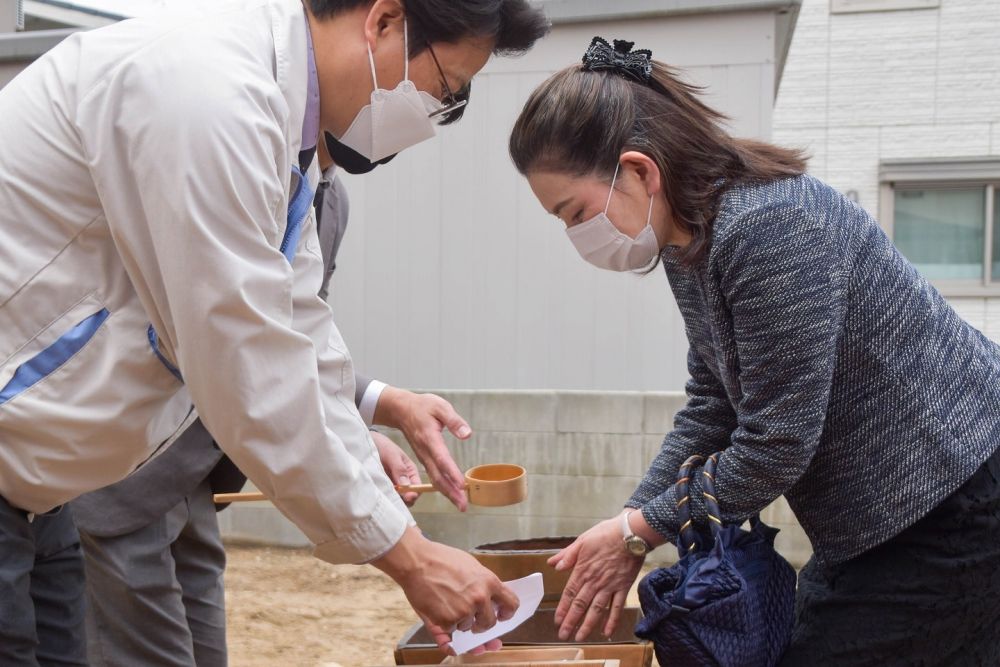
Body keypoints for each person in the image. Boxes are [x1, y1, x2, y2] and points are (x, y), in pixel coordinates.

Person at [0, 0, 548, 662]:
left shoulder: (285, 140)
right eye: (444, 88)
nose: (435, 114)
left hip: (41, 491)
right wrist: (408, 557)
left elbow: (305, 345)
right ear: (383, 20)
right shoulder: (210, 95)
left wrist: (402, 532)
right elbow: (245, 363)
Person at [506, 37, 1000, 665]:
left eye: (574, 212)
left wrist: (637, 533)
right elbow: (714, 404)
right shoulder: (692, 245)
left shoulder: (771, 225)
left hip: (953, 495)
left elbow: (777, 441)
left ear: (639, 171)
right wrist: (631, 521)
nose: (576, 234)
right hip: (893, 516)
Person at [72, 147, 455, 665]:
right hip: (124, 459)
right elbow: (240, 342)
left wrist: (370, 419)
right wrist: (409, 555)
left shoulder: (331, 197)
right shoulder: (233, 160)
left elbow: (299, 342)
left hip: (198, 469)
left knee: (206, 650)